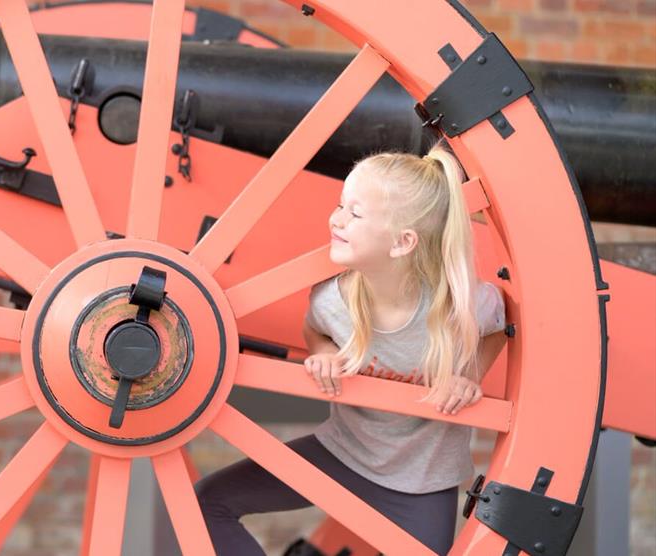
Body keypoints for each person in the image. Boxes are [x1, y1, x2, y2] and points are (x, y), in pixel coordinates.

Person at [196, 145, 507, 555]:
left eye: (354, 214)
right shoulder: (332, 302)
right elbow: (315, 329)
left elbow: (499, 328)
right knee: (209, 501)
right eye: (340, 205)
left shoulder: (462, 306)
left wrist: (468, 376)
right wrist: (322, 352)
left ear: (402, 242)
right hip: (342, 457)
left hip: (424, 483)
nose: (336, 219)